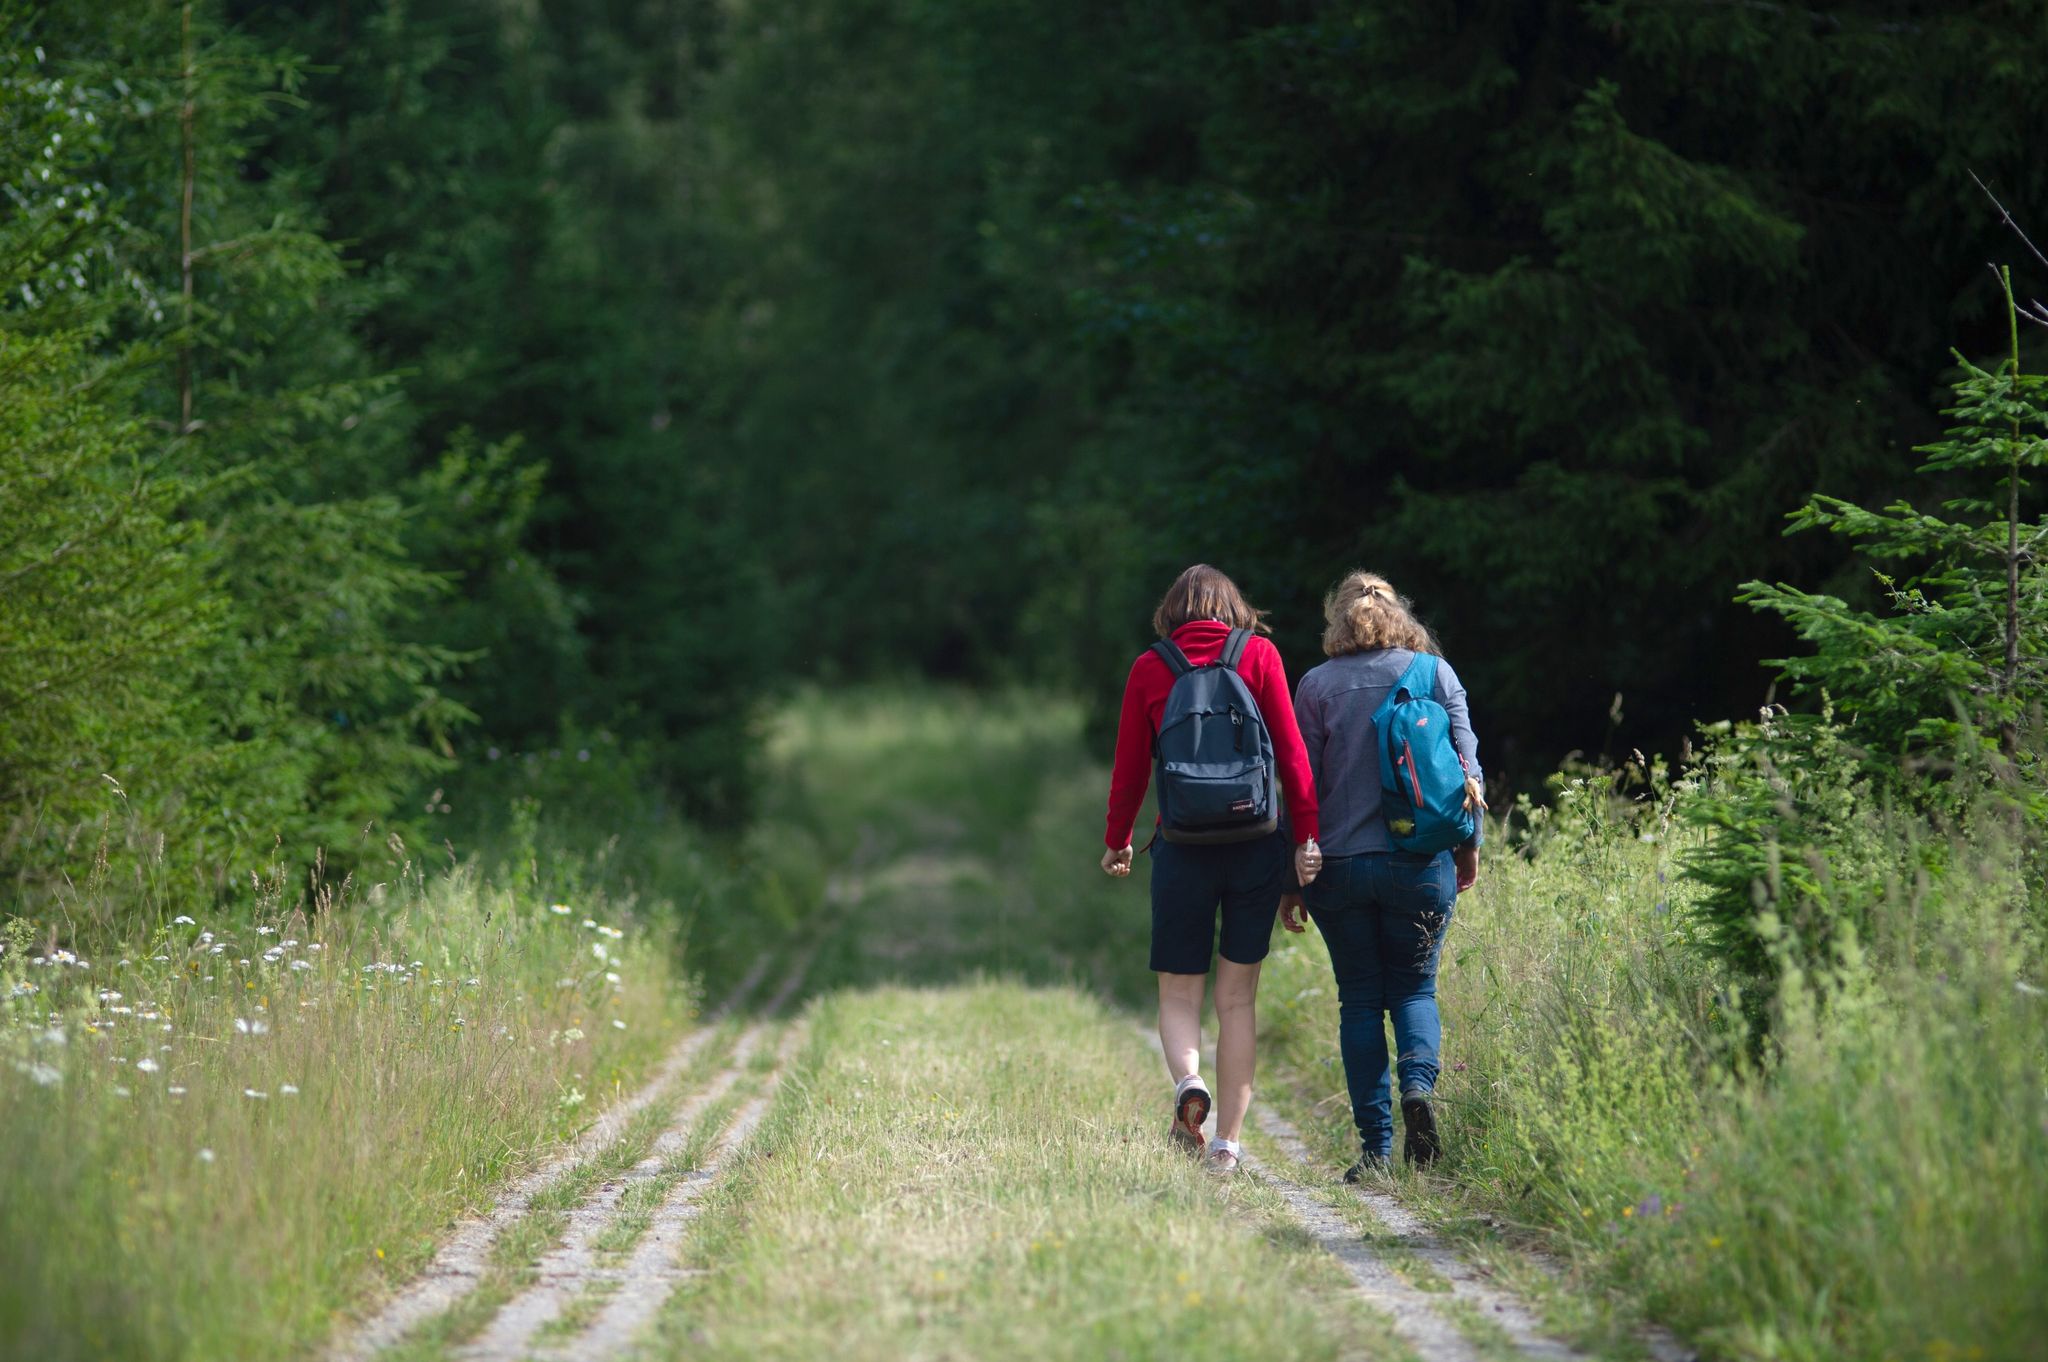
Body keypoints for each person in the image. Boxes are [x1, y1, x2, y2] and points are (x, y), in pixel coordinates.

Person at [1102, 564, 1323, 1175]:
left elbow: (1129, 771)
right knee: (1237, 1001)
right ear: (1233, 608)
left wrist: (1118, 841)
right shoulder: (1260, 657)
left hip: (1181, 846)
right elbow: (1295, 761)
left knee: (1179, 991)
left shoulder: (1152, 667)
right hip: (1257, 844)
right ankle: (1225, 1145)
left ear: (1172, 612)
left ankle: (1187, 1083)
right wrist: (1306, 840)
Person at [1279, 571, 1483, 1178]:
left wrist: (1290, 878)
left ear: (1335, 619)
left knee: (1361, 1001)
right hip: (1420, 862)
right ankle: (1418, 1089)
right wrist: (1468, 848)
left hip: (1338, 869)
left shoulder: (1315, 686)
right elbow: (1468, 770)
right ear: (1402, 615)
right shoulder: (1435, 675)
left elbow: (1299, 787)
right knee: (1416, 990)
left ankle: (1375, 1150)